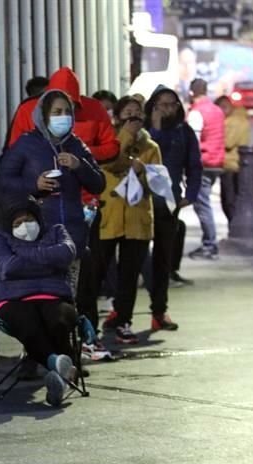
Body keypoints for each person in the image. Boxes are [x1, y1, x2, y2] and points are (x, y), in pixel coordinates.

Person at [0, 89, 107, 276]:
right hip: (38, 235)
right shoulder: (26, 143)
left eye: (67, 112)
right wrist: (34, 184)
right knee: (45, 293)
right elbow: (4, 181)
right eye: (56, 112)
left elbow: (98, 183)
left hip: (73, 235)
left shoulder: (76, 145)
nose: (63, 117)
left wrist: (79, 165)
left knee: (70, 296)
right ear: (43, 116)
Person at [0, 197, 78, 406]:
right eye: (17, 224)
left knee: (58, 322)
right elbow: (8, 268)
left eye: (27, 219)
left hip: (54, 295)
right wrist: (49, 261)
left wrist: (24, 254)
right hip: (13, 299)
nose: (24, 226)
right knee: (28, 324)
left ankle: (58, 375)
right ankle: (58, 364)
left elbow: (67, 253)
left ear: (37, 218)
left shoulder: (55, 230)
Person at [94, 96, 161, 344]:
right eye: (127, 112)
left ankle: (124, 321)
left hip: (136, 217)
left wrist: (143, 173)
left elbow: (158, 183)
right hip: (108, 216)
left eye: (137, 112)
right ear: (118, 117)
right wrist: (125, 137)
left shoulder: (151, 147)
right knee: (97, 271)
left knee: (129, 275)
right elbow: (109, 164)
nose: (132, 116)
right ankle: (89, 325)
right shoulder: (108, 143)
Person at [144, 87, 202, 328]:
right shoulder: (142, 131)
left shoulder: (184, 131)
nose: (167, 109)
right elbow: (147, 156)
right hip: (139, 202)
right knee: (133, 259)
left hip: (169, 202)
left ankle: (159, 312)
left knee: (162, 258)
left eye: (172, 104)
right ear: (153, 107)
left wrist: (190, 194)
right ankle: (120, 311)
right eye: (161, 104)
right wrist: (154, 128)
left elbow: (194, 165)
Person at [4, 67, 119, 164]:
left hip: (84, 185)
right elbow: (13, 150)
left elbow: (112, 148)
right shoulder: (27, 109)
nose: (64, 113)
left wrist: (83, 152)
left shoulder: (94, 108)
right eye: (57, 109)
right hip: (39, 183)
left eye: (69, 107)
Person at [186, 78, 225, 260]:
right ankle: (210, 243)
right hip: (216, 161)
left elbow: (193, 142)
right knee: (205, 203)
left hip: (203, 162)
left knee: (202, 205)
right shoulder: (217, 110)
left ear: (192, 92)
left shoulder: (196, 113)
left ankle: (210, 245)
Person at [215, 95, 250, 223]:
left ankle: (234, 226)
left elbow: (228, 141)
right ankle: (235, 225)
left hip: (230, 163)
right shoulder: (238, 118)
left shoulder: (233, 121)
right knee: (232, 198)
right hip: (235, 163)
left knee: (229, 200)